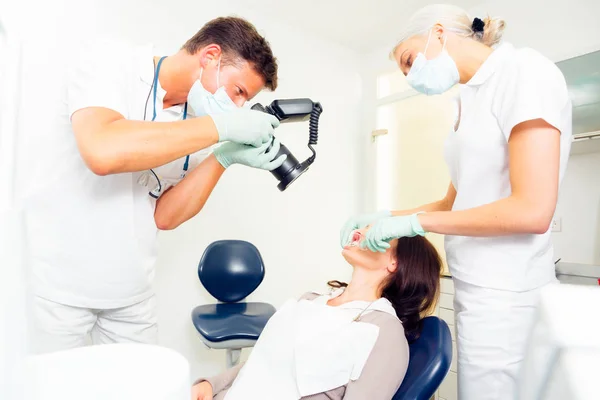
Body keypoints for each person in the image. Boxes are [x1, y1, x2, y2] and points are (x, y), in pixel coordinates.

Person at [340, 4, 572, 400]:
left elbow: (533, 210)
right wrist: (386, 215)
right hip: (475, 285)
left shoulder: (524, 73)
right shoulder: (466, 100)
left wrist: (416, 224)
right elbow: (452, 202)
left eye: (410, 61)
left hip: (508, 293)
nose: (412, 76)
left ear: (439, 32)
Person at [26, 17, 286, 354]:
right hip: (60, 291)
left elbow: (165, 216)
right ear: (210, 57)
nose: (238, 108)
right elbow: (103, 151)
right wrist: (222, 127)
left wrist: (223, 158)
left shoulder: (197, 123)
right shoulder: (111, 62)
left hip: (131, 294)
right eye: (238, 92)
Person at [191, 227, 442, 400]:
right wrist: (211, 384)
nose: (362, 232)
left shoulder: (383, 331)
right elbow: (266, 359)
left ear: (395, 262)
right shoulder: (311, 300)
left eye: (376, 234)